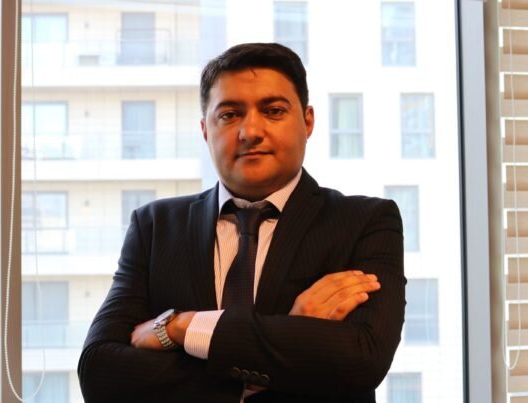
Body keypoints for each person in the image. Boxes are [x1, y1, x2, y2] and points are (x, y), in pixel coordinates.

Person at [77, 42, 406, 402]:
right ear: (205, 130)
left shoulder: (365, 222)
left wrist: (182, 327)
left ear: (308, 121)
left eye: (274, 111)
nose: (250, 131)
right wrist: (285, 347)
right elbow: (99, 372)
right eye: (230, 115)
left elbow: (362, 358)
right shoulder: (155, 227)